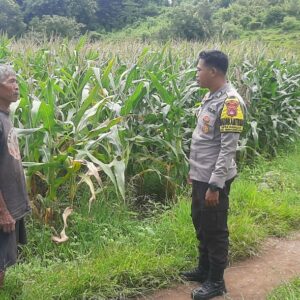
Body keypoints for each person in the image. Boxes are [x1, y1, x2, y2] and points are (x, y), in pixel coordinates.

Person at [181, 51, 246, 300]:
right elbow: (204, 141)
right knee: (200, 221)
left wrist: (215, 185)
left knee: (215, 228)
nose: (196, 73)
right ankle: (204, 269)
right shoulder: (210, 97)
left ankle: (216, 282)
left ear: (213, 71)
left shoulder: (230, 103)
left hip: (214, 179)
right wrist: (194, 172)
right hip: (201, 175)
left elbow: (227, 149)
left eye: (199, 69)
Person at [0, 64, 31, 288]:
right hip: (3, 210)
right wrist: (2, 211)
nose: (16, 86)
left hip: (11, 207)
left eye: (16, 80)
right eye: (11, 81)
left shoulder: (5, 117)